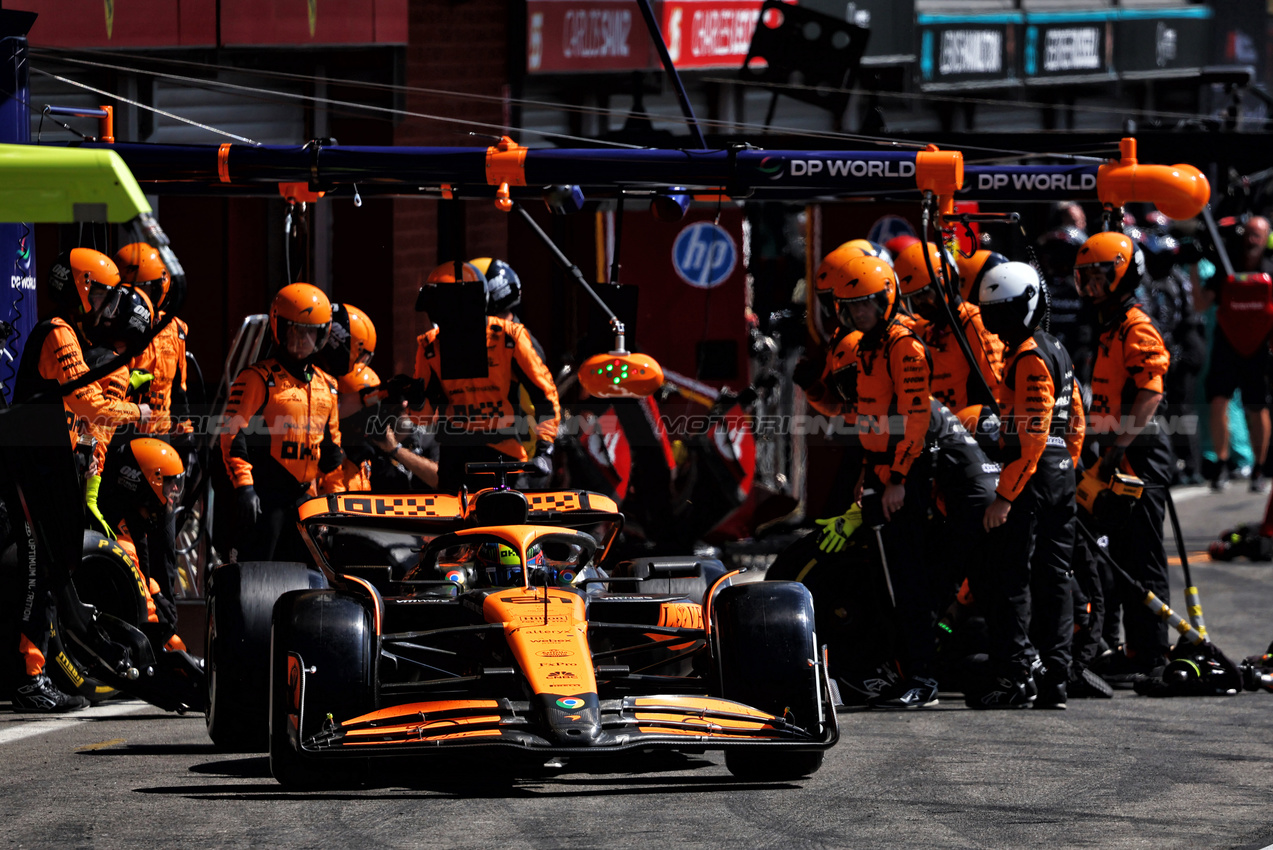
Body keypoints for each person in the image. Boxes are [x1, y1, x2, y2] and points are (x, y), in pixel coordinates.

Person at [9, 249, 150, 712]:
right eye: (104, 296)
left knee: (50, 573)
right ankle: (31, 678)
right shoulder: (58, 334)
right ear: (82, 286)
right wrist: (141, 412)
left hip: (45, 468)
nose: (108, 311)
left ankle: (42, 671)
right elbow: (92, 405)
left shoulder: (65, 333)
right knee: (37, 571)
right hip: (30, 471)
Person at [826, 252, 936, 709]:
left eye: (866, 304)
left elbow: (916, 418)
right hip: (879, 473)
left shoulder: (902, 346)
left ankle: (924, 678)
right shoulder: (865, 348)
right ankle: (898, 671)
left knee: (907, 582)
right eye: (851, 307)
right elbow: (868, 421)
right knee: (884, 584)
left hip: (903, 476)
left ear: (886, 300)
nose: (858, 313)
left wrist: (897, 479)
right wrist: (866, 475)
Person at [975, 261, 1084, 709]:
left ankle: (1018, 677)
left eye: (1002, 311)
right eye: (991, 312)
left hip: (1032, 479)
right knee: (1056, 578)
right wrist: (1068, 467)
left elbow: (1034, 434)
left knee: (1012, 578)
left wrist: (1005, 495)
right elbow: (1075, 420)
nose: (995, 320)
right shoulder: (1056, 347)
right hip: (1059, 477)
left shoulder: (1029, 356)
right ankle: (1055, 680)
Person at [1076, 231, 1174, 681]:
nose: (1091, 287)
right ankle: (1128, 648)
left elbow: (1150, 394)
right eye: (1085, 279)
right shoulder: (1108, 327)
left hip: (1138, 458)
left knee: (1143, 558)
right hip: (1113, 457)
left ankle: (1152, 654)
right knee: (1114, 554)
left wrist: (1117, 451)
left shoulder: (1136, 326)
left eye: (1100, 277)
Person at [220, 283, 344, 562]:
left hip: (306, 501)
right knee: (258, 579)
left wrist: (335, 501)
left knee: (309, 578)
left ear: (322, 335)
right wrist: (245, 486)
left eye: (310, 333)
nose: (302, 340)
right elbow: (231, 433)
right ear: (280, 329)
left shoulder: (329, 386)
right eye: (295, 331)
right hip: (265, 498)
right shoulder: (257, 377)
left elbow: (333, 452)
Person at [411, 262, 560, 492]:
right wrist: (415, 399)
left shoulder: (509, 337)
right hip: (455, 460)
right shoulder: (429, 346)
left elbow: (546, 396)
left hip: (505, 456)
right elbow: (423, 417)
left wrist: (545, 450)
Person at [1199, 215, 1273, 491]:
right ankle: (1220, 465)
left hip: (1259, 347)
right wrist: (1196, 267)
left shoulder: (1271, 269)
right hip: (1226, 342)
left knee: (1257, 406)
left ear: (1267, 238)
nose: (1253, 239)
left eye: (1259, 234)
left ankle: (1259, 469)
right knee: (1218, 401)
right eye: (1249, 233)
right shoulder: (1225, 266)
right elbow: (1200, 303)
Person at [96, 437, 187, 652]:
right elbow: (142, 606)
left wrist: (155, 590)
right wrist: (172, 647)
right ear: (145, 482)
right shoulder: (120, 533)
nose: (174, 491)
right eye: (168, 483)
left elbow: (142, 576)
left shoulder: (136, 517)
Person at [895, 241, 1004, 411]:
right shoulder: (927, 330)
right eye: (914, 297)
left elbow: (998, 391)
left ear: (945, 281)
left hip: (976, 428)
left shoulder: (972, 322)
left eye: (925, 293)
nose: (921, 302)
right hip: (943, 429)